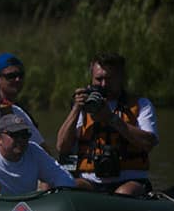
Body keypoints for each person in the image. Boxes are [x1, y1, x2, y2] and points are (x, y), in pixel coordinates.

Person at [55, 52, 158, 196]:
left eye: (109, 79)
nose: (103, 84)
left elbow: (148, 143)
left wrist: (111, 118)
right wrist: (76, 109)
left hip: (130, 180)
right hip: (89, 181)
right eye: (99, 79)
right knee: (64, 187)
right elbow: (62, 147)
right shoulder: (83, 106)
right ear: (91, 78)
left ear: (121, 77)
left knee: (123, 193)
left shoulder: (141, 104)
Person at [0, 114, 76, 196]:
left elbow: (63, 178)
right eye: (15, 135)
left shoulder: (34, 151)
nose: (21, 140)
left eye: (25, 135)